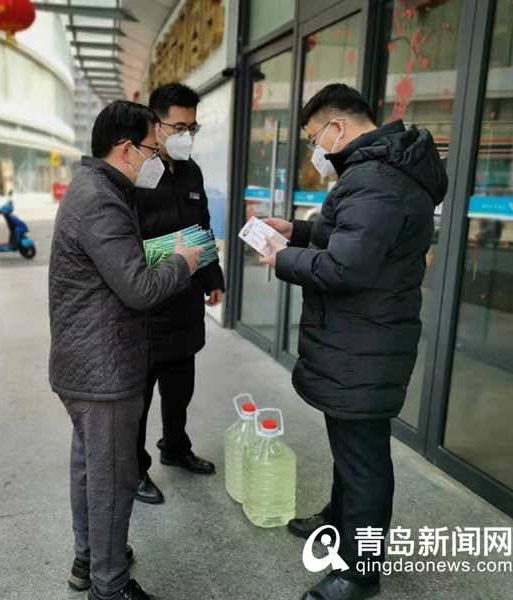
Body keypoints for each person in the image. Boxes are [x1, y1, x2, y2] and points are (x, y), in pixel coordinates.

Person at [261, 84, 447, 600]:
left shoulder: (377, 179)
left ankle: (360, 573)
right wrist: (296, 232)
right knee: (350, 447)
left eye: (313, 138)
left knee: (364, 462)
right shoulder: (375, 171)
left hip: (366, 342)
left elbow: (347, 266)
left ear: (337, 127)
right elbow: (350, 235)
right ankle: (338, 519)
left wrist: (281, 258)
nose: (315, 150)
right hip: (360, 339)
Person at [49, 100, 203, 600]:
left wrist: (157, 254)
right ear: (125, 148)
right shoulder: (102, 200)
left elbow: (114, 267)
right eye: (152, 149)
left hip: (86, 361)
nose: (156, 157)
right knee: (113, 480)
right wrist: (183, 261)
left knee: (90, 469)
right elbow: (138, 289)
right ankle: (109, 586)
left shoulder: (95, 188)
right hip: (103, 368)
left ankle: (89, 559)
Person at [132, 83, 225, 505]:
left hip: (185, 303)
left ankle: (175, 447)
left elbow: (202, 225)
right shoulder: (136, 173)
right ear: (156, 125)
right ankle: (134, 469)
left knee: (179, 389)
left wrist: (212, 277)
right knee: (138, 398)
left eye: (193, 127)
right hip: (147, 306)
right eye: (179, 127)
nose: (186, 135)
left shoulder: (191, 171)